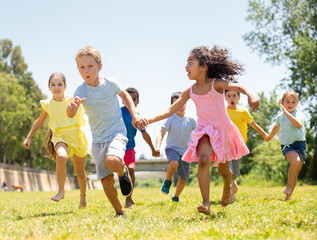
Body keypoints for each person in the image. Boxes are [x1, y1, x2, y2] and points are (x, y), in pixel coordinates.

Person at [148, 45, 259, 215]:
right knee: (204, 159)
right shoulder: (190, 91)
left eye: (190, 63)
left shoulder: (217, 84)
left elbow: (239, 88)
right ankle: (206, 203)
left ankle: (228, 185)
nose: (186, 67)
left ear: (203, 67)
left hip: (222, 130)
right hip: (204, 131)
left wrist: (251, 95)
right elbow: (170, 110)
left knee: (223, 170)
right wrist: (148, 120)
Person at [67, 46, 148, 216]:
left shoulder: (110, 83)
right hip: (97, 140)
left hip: (116, 133)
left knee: (112, 161)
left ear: (99, 66)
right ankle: (120, 212)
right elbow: (71, 113)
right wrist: (71, 108)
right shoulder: (80, 91)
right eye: (82, 67)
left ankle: (122, 172)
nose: (86, 70)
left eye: (90, 66)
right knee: (105, 179)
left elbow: (125, 96)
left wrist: (134, 115)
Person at [23, 72, 88, 208]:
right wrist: (29, 136)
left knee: (80, 172)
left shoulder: (72, 101)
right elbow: (40, 120)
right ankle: (61, 191)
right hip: (60, 135)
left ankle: (83, 196)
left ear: (65, 86)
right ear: (49, 87)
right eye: (53, 84)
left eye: (59, 84)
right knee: (61, 157)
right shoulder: (48, 104)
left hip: (76, 135)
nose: (56, 87)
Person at [225, 90, 267, 202]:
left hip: (238, 146)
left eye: (234, 95)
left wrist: (264, 134)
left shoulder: (243, 111)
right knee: (228, 171)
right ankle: (231, 196)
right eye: (228, 96)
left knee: (235, 173)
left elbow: (254, 124)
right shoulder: (223, 112)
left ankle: (234, 182)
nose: (231, 98)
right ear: (225, 98)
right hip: (226, 145)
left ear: (238, 97)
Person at [156, 92, 197, 203]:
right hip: (172, 148)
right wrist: (157, 147)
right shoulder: (170, 118)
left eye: (181, 103)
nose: (179, 106)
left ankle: (176, 196)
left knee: (183, 179)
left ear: (186, 103)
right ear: (172, 106)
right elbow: (161, 133)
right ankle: (167, 181)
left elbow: (199, 133)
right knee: (174, 163)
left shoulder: (191, 119)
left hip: (186, 151)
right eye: (176, 104)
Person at [121, 87, 158, 208]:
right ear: (123, 100)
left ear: (137, 102)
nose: (130, 102)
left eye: (133, 100)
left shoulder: (138, 117)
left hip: (130, 147)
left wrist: (153, 149)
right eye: (128, 100)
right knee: (121, 170)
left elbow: (145, 134)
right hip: (117, 146)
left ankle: (129, 197)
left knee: (130, 169)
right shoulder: (118, 112)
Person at [265, 89, 306, 201]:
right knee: (295, 161)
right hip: (287, 146)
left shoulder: (299, 113)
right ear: (282, 103)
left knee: (296, 172)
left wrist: (287, 114)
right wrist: (269, 136)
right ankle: (288, 187)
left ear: (297, 103)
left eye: (293, 102)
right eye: (287, 102)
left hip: (301, 145)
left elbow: (298, 125)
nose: (290, 104)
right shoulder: (280, 116)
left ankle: (288, 197)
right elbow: (276, 127)